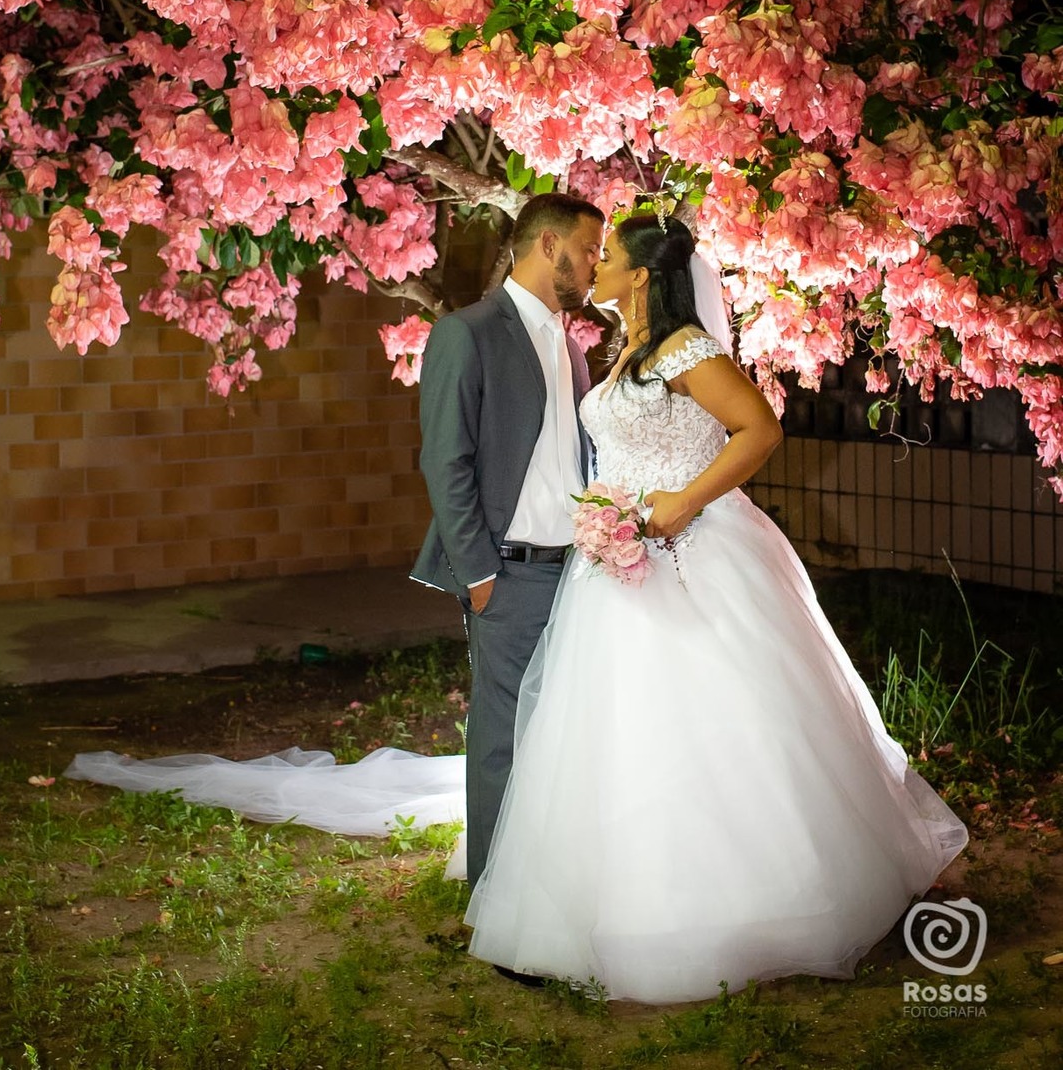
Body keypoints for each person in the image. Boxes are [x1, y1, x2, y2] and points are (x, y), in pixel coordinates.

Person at [463, 209, 970, 1003]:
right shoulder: (623, 349)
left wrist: (682, 502)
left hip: (690, 551)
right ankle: (608, 900)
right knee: (615, 728)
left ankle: (743, 902)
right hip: (617, 563)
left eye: (607, 256)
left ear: (640, 275)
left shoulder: (685, 349)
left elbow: (758, 431)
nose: (595, 265)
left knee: (711, 719)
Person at [410, 190, 605, 889]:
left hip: (577, 573)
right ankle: (493, 894)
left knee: (561, 733)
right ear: (548, 245)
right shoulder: (467, 333)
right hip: (510, 575)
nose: (597, 263)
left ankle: (548, 885)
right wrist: (479, 573)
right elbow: (445, 460)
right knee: (503, 739)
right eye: (589, 249)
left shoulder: (571, 348)